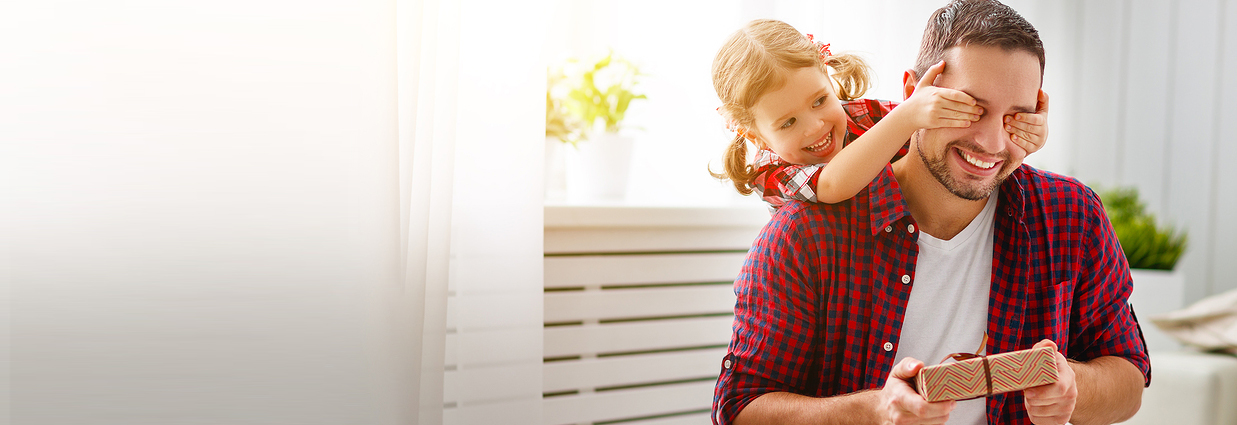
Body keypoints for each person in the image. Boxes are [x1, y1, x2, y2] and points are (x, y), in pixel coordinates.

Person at [711, 1, 1150, 424]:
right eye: (967, 108)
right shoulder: (803, 234)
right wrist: (874, 412)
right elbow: (738, 409)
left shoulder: (1070, 215)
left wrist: (1074, 385)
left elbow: (1129, 377)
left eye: (1016, 118)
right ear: (912, 95)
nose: (993, 144)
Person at [711, 19, 1047, 210]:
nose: (816, 126)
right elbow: (830, 185)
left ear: (829, 78)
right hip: (836, 269)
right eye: (787, 123)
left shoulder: (862, 115)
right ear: (756, 136)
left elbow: (934, 135)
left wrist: (1019, 130)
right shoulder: (771, 171)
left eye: (818, 101)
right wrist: (907, 115)